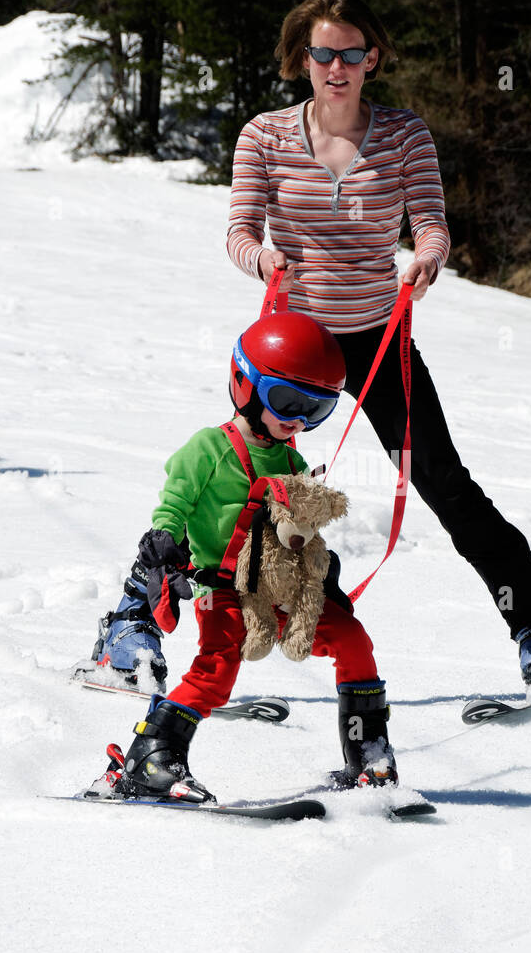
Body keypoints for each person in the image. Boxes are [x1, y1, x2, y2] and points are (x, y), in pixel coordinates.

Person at [82, 0, 531, 694]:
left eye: (349, 53)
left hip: (377, 344)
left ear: (371, 58)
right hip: (293, 347)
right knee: (224, 486)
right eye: (322, 53)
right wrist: (263, 261)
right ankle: (130, 626)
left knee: (443, 483)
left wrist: (426, 259)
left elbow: (431, 222)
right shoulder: (264, 135)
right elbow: (239, 231)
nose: (335, 66)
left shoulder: (404, 135)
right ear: (301, 59)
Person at [88, 312, 398, 803]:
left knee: (354, 640)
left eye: (315, 410)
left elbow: (298, 532)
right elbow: (173, 505)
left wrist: (322, 571)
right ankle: (152, 759)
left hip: (282, 589)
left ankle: (368, 757)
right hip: (223, 588)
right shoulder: (208, 448)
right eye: (288, 401)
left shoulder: (294, 461)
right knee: (215, 672)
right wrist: (163, 540)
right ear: (244, 384)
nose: (298, 419)